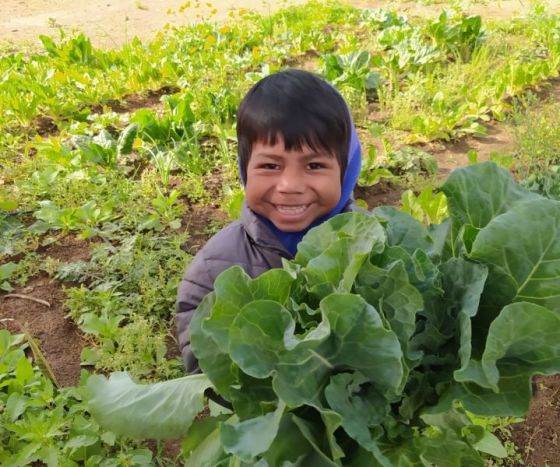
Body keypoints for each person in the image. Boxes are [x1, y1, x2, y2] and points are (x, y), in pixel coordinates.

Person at [176, 68, 363, 373]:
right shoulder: (215, 269)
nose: (290, 185)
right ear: (244, 168)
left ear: (347, 169)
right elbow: (205, 365)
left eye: (314, 165)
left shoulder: (382, 249)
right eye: (270, 165)